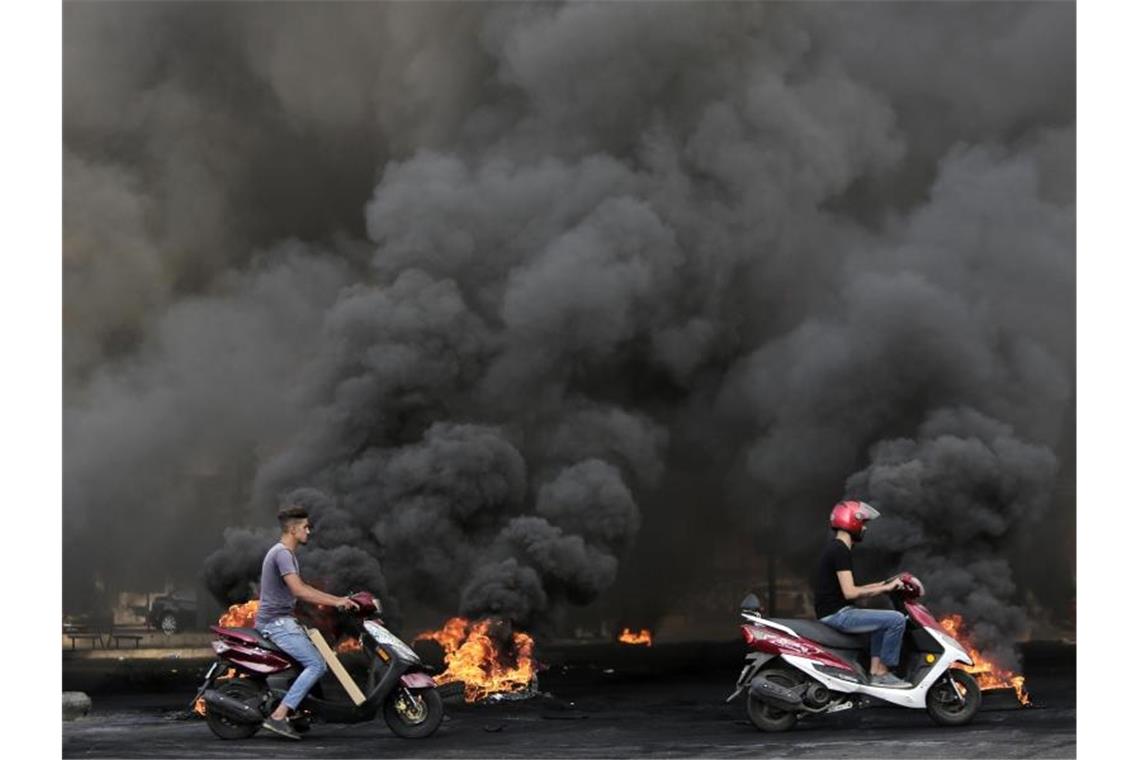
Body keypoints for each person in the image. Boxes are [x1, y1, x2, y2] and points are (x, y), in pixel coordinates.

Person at [255, 505, 359, 740]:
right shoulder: (282, 553)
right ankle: (279, 716)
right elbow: (300, 591)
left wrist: (338, 600)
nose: (309, 531)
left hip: (282, 621)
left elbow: (304, 590)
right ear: (292, 530)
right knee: (316, 665)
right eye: (305, 527)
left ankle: (297, 712)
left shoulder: (285, 554)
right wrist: (337, 602)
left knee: (308, 661)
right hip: (276, 624)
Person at [811, 500, 909, 688]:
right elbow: (850, 592)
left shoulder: (836, 548)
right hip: (838, 615)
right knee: (896, 619)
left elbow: (850, 587)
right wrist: (884, 589)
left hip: (836, 611)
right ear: (852, 522)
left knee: (883, 622)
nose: (864, 528)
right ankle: (883, 672)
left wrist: (882, 584)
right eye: (863, 523)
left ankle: (875, 672)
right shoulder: (840, 550)